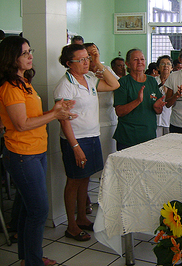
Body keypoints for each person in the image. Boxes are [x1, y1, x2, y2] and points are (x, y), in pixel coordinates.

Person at [0, 36, 76, 266]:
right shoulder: (10, 88)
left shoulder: (24, 82)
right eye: (24, 53)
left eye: (29, 51)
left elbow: (32, 117)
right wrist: (54, 114)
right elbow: (21, 124)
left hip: (35, 151)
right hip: (22, 155)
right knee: (39, 210)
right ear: (11, 58)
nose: (30, 56)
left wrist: (56, 110)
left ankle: (28, 258)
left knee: (27, 208)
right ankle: (32, 261)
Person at [53, 44, 119, 242]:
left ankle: (82, 217)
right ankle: (71, 225)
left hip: (91, 136)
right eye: (80, 60)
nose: (85, 62)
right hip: (75, 140)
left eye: (87, 58)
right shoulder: (65, 85)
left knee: (85, 178)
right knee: (73, 180)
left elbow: (114, 84)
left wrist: (98, 63)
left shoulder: (90, 79)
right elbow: (63, 119)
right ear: (68, 64)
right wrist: (75, 147)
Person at [83, 43, 119, 214]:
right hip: (90, 125)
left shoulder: (104, 71)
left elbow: (116, 85)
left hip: (109, 123)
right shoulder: (83, 75)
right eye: (89, 54)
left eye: (95, 53)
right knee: (89, 169)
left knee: (107, 166)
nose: (91, 57)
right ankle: (85, 199)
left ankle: (105, 198)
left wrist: (98, 64)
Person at [113, 48, 165, 150]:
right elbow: (119, 112)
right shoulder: (123, 83)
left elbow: (158, 111)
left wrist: (157, 107)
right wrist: (137, 101)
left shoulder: (152, 81)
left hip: (149, 136)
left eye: (142, 59)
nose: (140, 62)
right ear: (128, 64)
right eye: (136, 59)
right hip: (128, 137)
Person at [156, 55, 173, 137]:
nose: (166, 66)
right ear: (158, 68)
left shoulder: (175, 81)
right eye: (162, 64)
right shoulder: (153, 81)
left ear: (172, 68)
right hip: (155, 119)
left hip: (170, 118)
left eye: (168, 64)